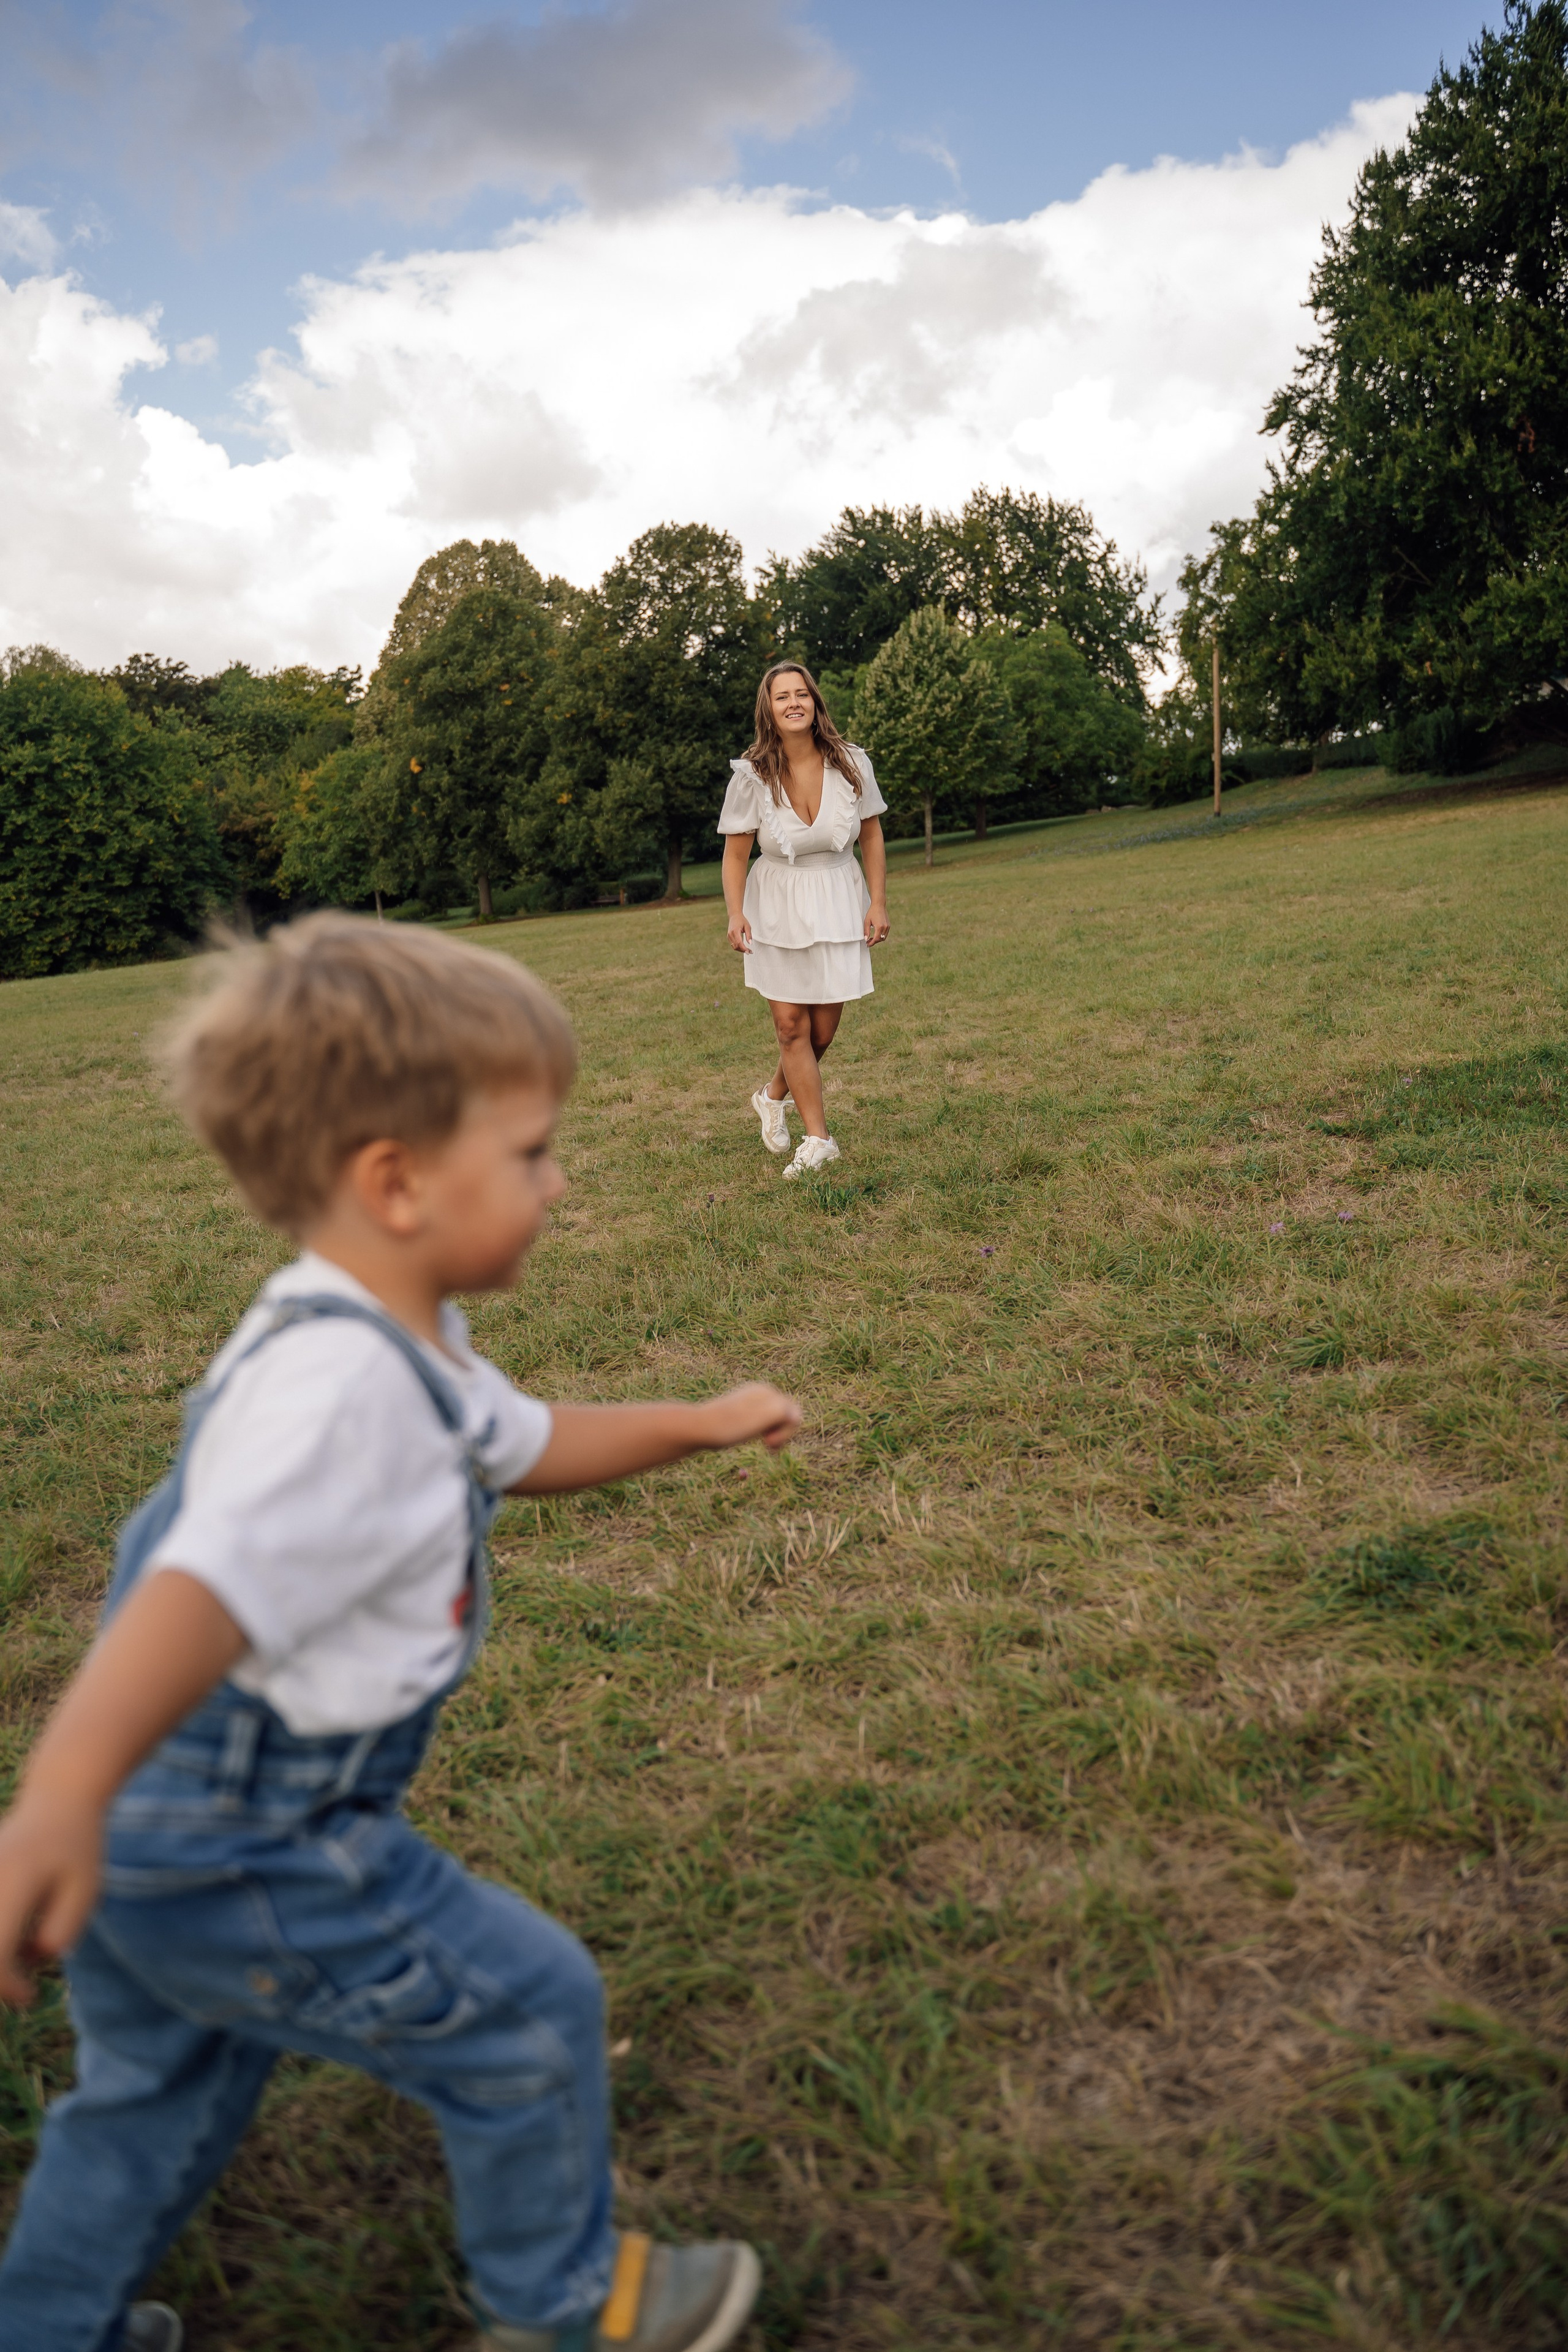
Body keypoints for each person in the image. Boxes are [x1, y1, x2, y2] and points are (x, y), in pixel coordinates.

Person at [0, 914, 801, 2352]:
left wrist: (700, 1420)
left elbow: (522, 1438)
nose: (559, 1181)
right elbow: (198, 1589)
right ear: (397, 1180)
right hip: (243, 1833)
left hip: (161, 1830)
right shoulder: (337, 1389)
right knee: (528, 2006)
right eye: (533, 1151)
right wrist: (56, 1798)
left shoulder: (392, 1335)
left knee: (153, 2097)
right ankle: (565, 2306)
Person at [719, 662, 890, 1178]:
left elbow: (873, 836)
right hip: (775, 904)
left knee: (820, 1033)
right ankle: (819, 1139)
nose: (793, 703)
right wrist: (735, 913)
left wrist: (877, 902)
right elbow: (734, 856)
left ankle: (773, 1096)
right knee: (791, 1026)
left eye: (801, 694)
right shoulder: (751, 776)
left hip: (839, 896)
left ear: (815, 702)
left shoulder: (852, 763)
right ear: (768, 710)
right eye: (781, 697)